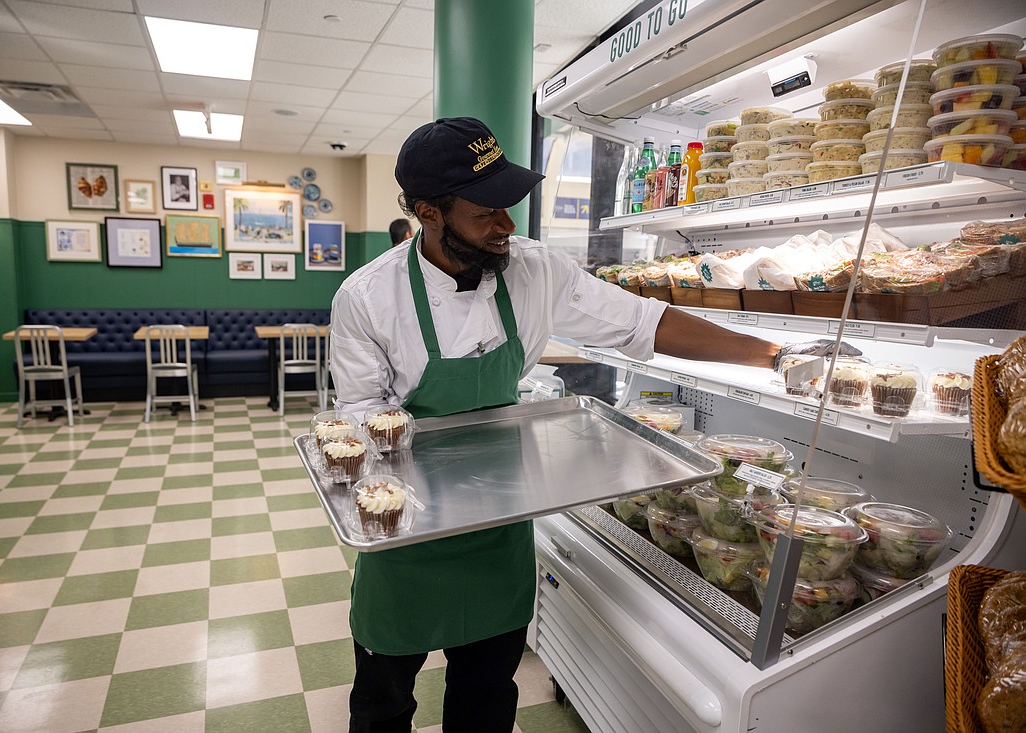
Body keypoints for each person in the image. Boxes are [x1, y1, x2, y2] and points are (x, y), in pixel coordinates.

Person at [329, 117, 855, 733]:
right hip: (409, 529)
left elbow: (647, 323)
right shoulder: (367, 297)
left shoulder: (536, 270)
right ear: (429, 212)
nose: (506, 225)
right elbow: (362, 420)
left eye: (510, 206)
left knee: (486, 693)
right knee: (382, 700)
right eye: (487, 211)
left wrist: (772, 354)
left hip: (500, 521)